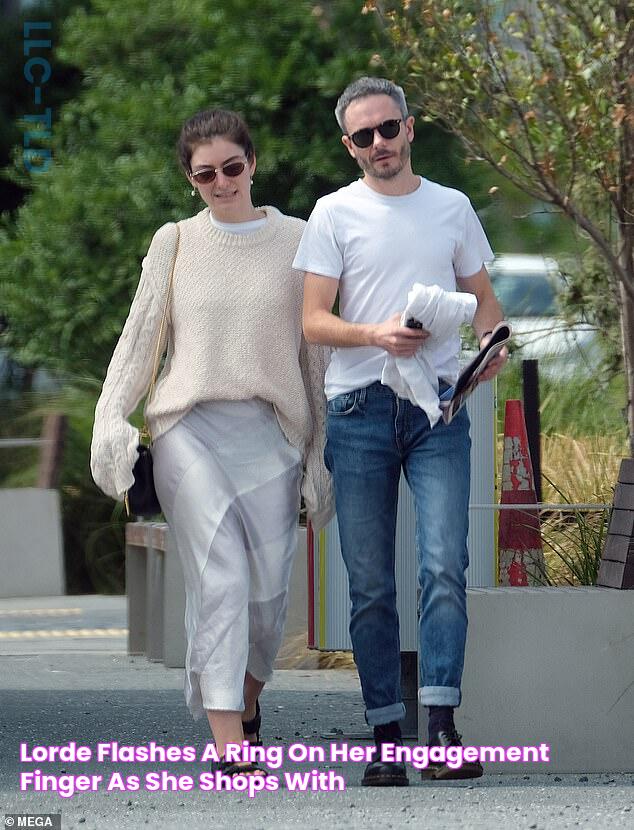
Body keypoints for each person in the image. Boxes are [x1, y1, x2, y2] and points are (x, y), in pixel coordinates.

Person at [90, 109, 332, 775]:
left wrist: (317, 452)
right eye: (205, 173)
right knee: (220, 579)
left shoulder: (301, 238)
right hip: (187, 431)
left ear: (252, 163)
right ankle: (229, 740)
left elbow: (314, 357)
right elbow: (142, 339)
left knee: (267, 600)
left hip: (272, 433)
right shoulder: (174, 242)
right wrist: (112, 419)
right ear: (190, 179)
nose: (221, 181)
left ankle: (247, 699)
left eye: (232, 167)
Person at [294, 77, 507, 785]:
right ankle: (386, 734)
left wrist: (492, 342)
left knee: (445, 565)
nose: (379, 145)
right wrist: (374, 332)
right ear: (348, 145)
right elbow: (312, 320)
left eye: (389, 129)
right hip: (358, 410)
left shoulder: (451, 206)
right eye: (364, 136)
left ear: (410, 129)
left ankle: (441, 727)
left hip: (438, 408)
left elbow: (483, 300)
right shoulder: (333, 214)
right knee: (371, 585)